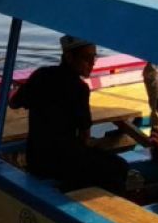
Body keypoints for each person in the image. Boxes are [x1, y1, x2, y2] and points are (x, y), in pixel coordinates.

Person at [9, 35, 131, 193]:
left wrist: (29, 89)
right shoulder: (79, 89)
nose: (92, 63)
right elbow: (85, 136)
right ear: (69, 57)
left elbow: (14, 103)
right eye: (87, 58)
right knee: (119, 167)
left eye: (94, 57)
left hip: (36, 158)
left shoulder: (41, 75)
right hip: (60, 161)